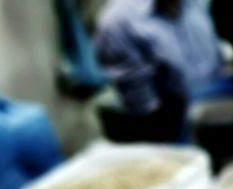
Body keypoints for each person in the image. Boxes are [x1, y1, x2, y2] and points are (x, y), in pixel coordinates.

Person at [93, 0, 224, 141]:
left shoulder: (198, 3)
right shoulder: (119, 22)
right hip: (174, 135)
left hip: (223, 116)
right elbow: (145, 112)